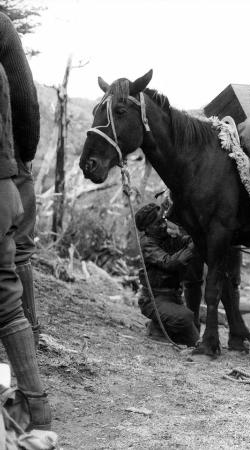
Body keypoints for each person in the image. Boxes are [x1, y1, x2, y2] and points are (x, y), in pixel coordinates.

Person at [0, 13, 51, 430]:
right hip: (8, 171)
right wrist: (22, 158)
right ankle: (34, 398)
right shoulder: (0, 26)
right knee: (14, 265)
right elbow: (25, 98)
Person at [135, 203, 200, 347]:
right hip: (153, 300)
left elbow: (185, 241)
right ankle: (156, 328)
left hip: (173, 298)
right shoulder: (147, 244)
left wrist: (195, 238)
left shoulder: (166, 237)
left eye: (163, 220)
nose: (164, 226)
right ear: (147, 228)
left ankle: (161, 326)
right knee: (186, 316)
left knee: (194, 341)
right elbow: (169, 263)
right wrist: (193, 246)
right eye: (158, 223)